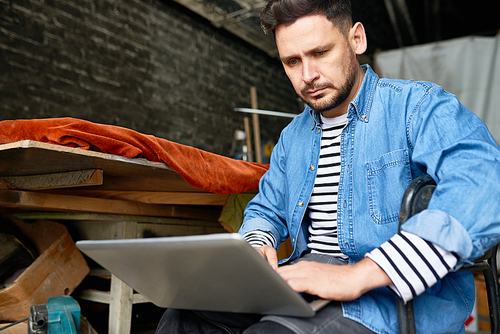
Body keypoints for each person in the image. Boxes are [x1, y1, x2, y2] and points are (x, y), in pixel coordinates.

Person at [156, 0, 500, 333]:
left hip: (392, 300)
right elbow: (266, 208)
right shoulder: (293, 137)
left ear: (356, 39)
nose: (308, 75)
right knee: (184, 317)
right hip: (311, 280)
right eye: (292, 61)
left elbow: (485, 185)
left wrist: (359, 275)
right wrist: (257, 244)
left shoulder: (416, 106)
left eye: (320, 53)